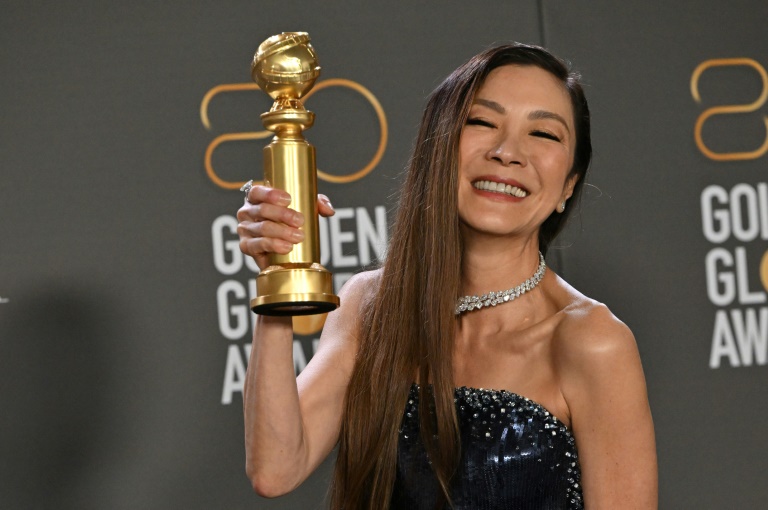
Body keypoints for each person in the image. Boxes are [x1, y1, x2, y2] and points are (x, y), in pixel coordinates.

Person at [237, 43, 657, 509]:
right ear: (438, 146)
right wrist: (279, 274)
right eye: (482, 122)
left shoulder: (592, 342)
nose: (507, 153)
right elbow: (275, 469)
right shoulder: (371, 306)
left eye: (543, 133)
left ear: (568, 186)